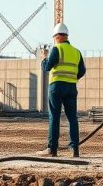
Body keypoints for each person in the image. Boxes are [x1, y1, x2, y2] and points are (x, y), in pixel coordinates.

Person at [39, 22, 86, 157]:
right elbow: (82, 71)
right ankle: (74, 149)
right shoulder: (76, 52)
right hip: (71, 87)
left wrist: (43, 58)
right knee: (72, 117)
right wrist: (72, 78)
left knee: (54, 116)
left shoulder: (56, 49)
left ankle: (52, 149)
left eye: (54, 37)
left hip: (56, 87)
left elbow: (47, 67)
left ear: (58, 36)